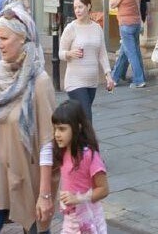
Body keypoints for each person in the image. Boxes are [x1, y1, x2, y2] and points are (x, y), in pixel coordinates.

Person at [0, 4, 58, 234]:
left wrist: (45, 193)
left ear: (22, 39)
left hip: (27, 178)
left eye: (4, 38)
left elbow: (48, 140)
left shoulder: (39, 81)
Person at [51, 98, 111, 234]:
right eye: (55, 129)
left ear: (77, 127)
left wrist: (78, 198)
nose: (57, 134)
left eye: (62, 129)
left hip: (89, 222)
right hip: (71, 221)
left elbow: (104, 189)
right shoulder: (63, 151)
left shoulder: (89, 155)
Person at [59, 0, 114, 117]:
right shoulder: (71, 28)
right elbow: (60, 53)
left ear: (88, 6)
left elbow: (102, 53)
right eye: (75, 8)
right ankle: (88, 137)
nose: (77, 11)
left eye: (80, 7)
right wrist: (69, 53)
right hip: (75, 82)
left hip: (91, 82)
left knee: (82, 120)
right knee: (87, 117)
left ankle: (75, 136)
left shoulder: (97, 28)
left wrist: (108, 75)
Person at [110, 0, 146, 88]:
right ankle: (115, 77)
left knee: (132, 53)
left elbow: (112, 4)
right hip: (136, 24)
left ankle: (139, 80)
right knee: (125, 52)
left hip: (126, 26)